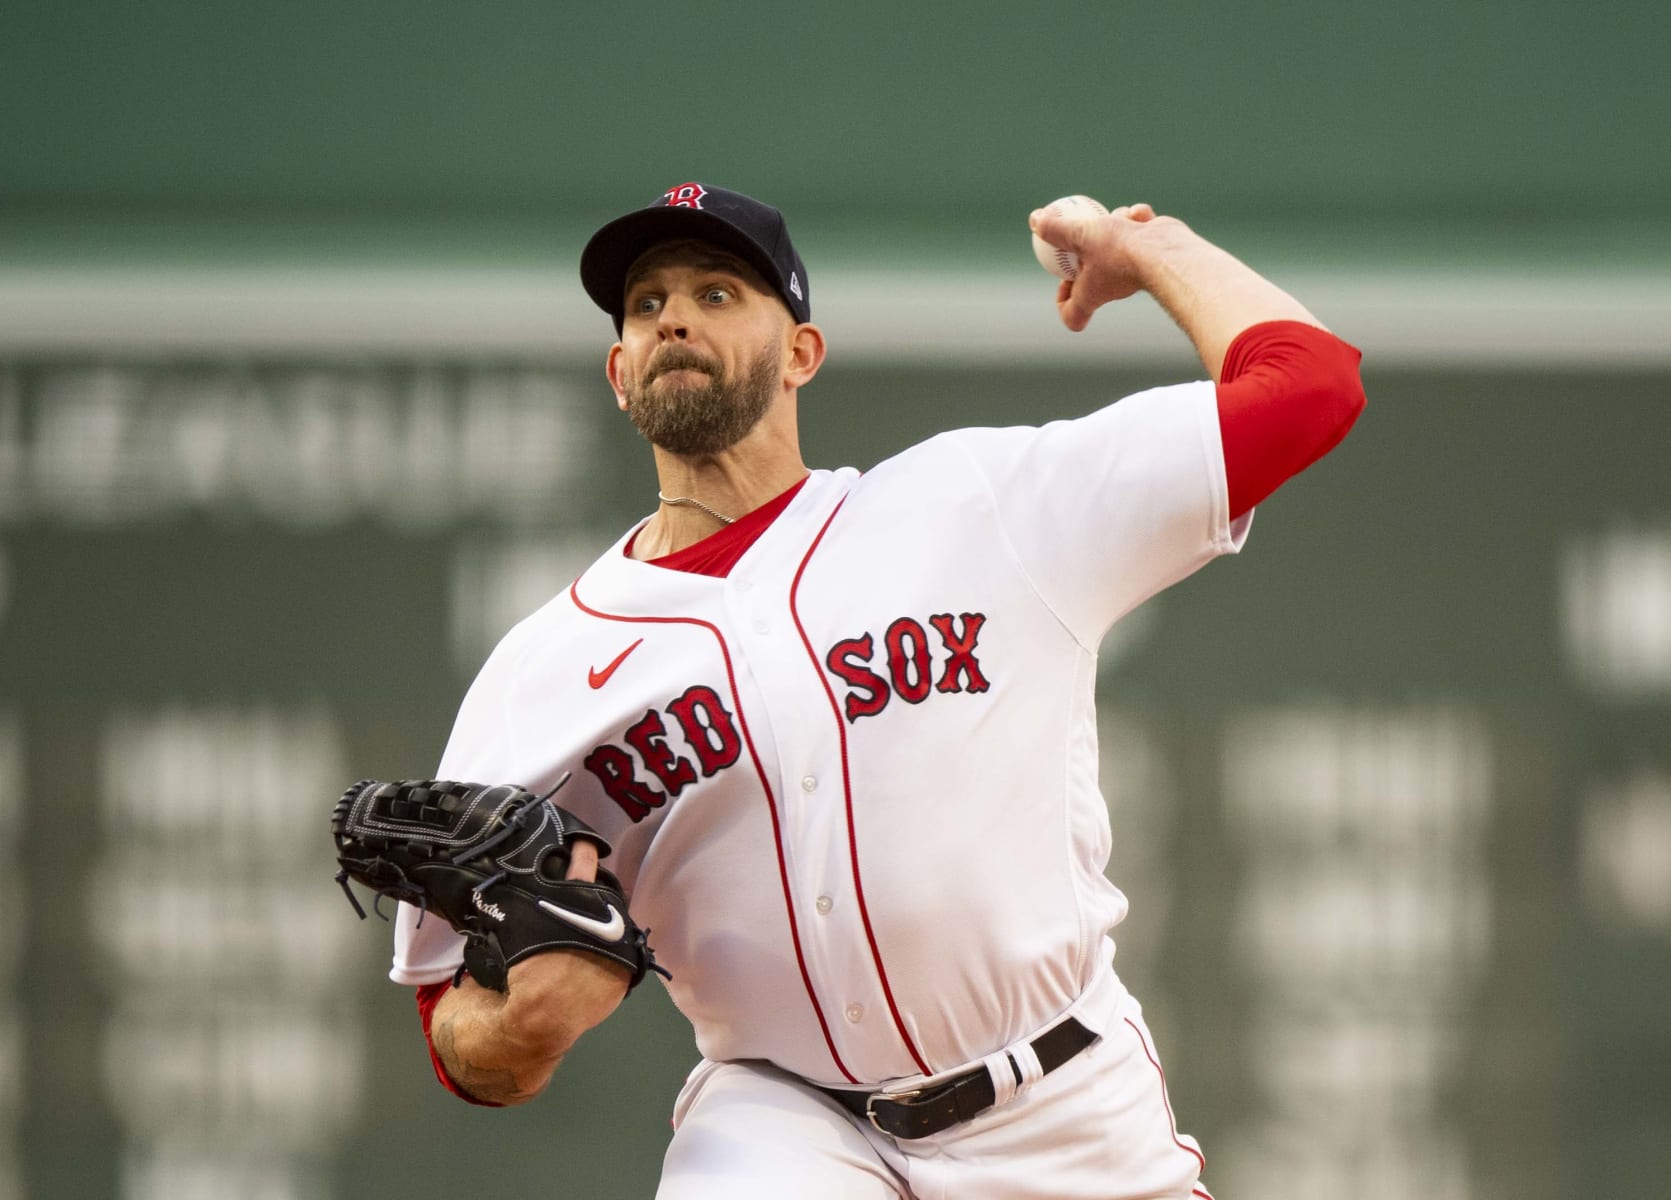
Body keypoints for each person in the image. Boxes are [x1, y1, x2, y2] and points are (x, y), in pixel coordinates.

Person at [388, 180, 1365, 1199]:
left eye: (718, 293)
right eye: (646, 305)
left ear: (802, 353)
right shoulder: (543, 673)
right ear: (620, 373)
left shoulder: (980, 507)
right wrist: (517, 1030)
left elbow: (1310, 385)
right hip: (784, 1123)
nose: (674, 314)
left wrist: (1150, 248)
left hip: (1063, 1103)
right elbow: (450, 1022)